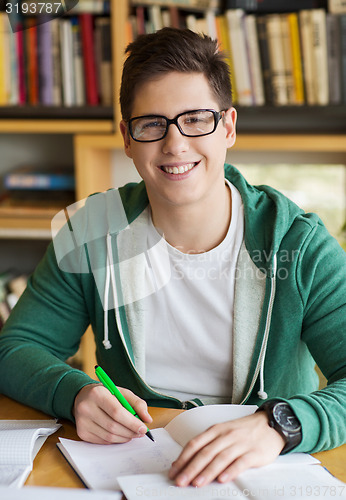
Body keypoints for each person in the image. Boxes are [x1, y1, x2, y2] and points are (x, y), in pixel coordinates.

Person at [0, 27, 345, 488]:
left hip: (264, 477)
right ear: (127, 137)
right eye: (152, 124)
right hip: (132, 473)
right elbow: (15, 350)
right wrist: (75, 392)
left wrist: (281, 425)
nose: (175, 144)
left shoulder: (297, 243)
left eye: (197, 119)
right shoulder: (91, 233)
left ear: (228, 126)